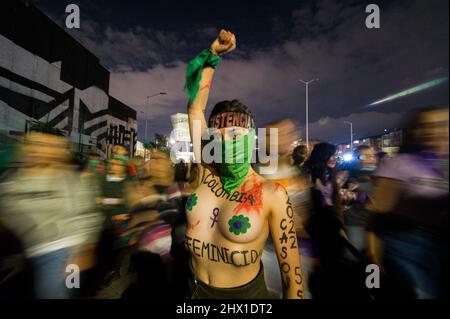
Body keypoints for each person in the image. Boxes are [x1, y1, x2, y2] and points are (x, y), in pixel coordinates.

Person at [185, 30, 304, 299]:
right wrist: (212, 56)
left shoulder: (272, 195)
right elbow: (195, 110)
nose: (227, 143)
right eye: (219, 136)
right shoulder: (206, 171)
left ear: (251, 140)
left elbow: (293, 280)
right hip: (193, 294)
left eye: (236, 135)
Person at [366, 105, 449, 299]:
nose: (437, 131)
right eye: (429, 126)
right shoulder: (399, 164)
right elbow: (375, 220)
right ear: (417, 131)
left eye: (443, 125)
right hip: (407, 249)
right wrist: (372, 270)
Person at [343, 145, 378, 253]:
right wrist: (361, 196)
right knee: (354, 256)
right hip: (356, 224)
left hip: (376, 225)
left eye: (373, 156)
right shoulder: (347, 177)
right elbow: (344, 201)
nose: (370, 160)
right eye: (365, 156)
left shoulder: (380, 176)